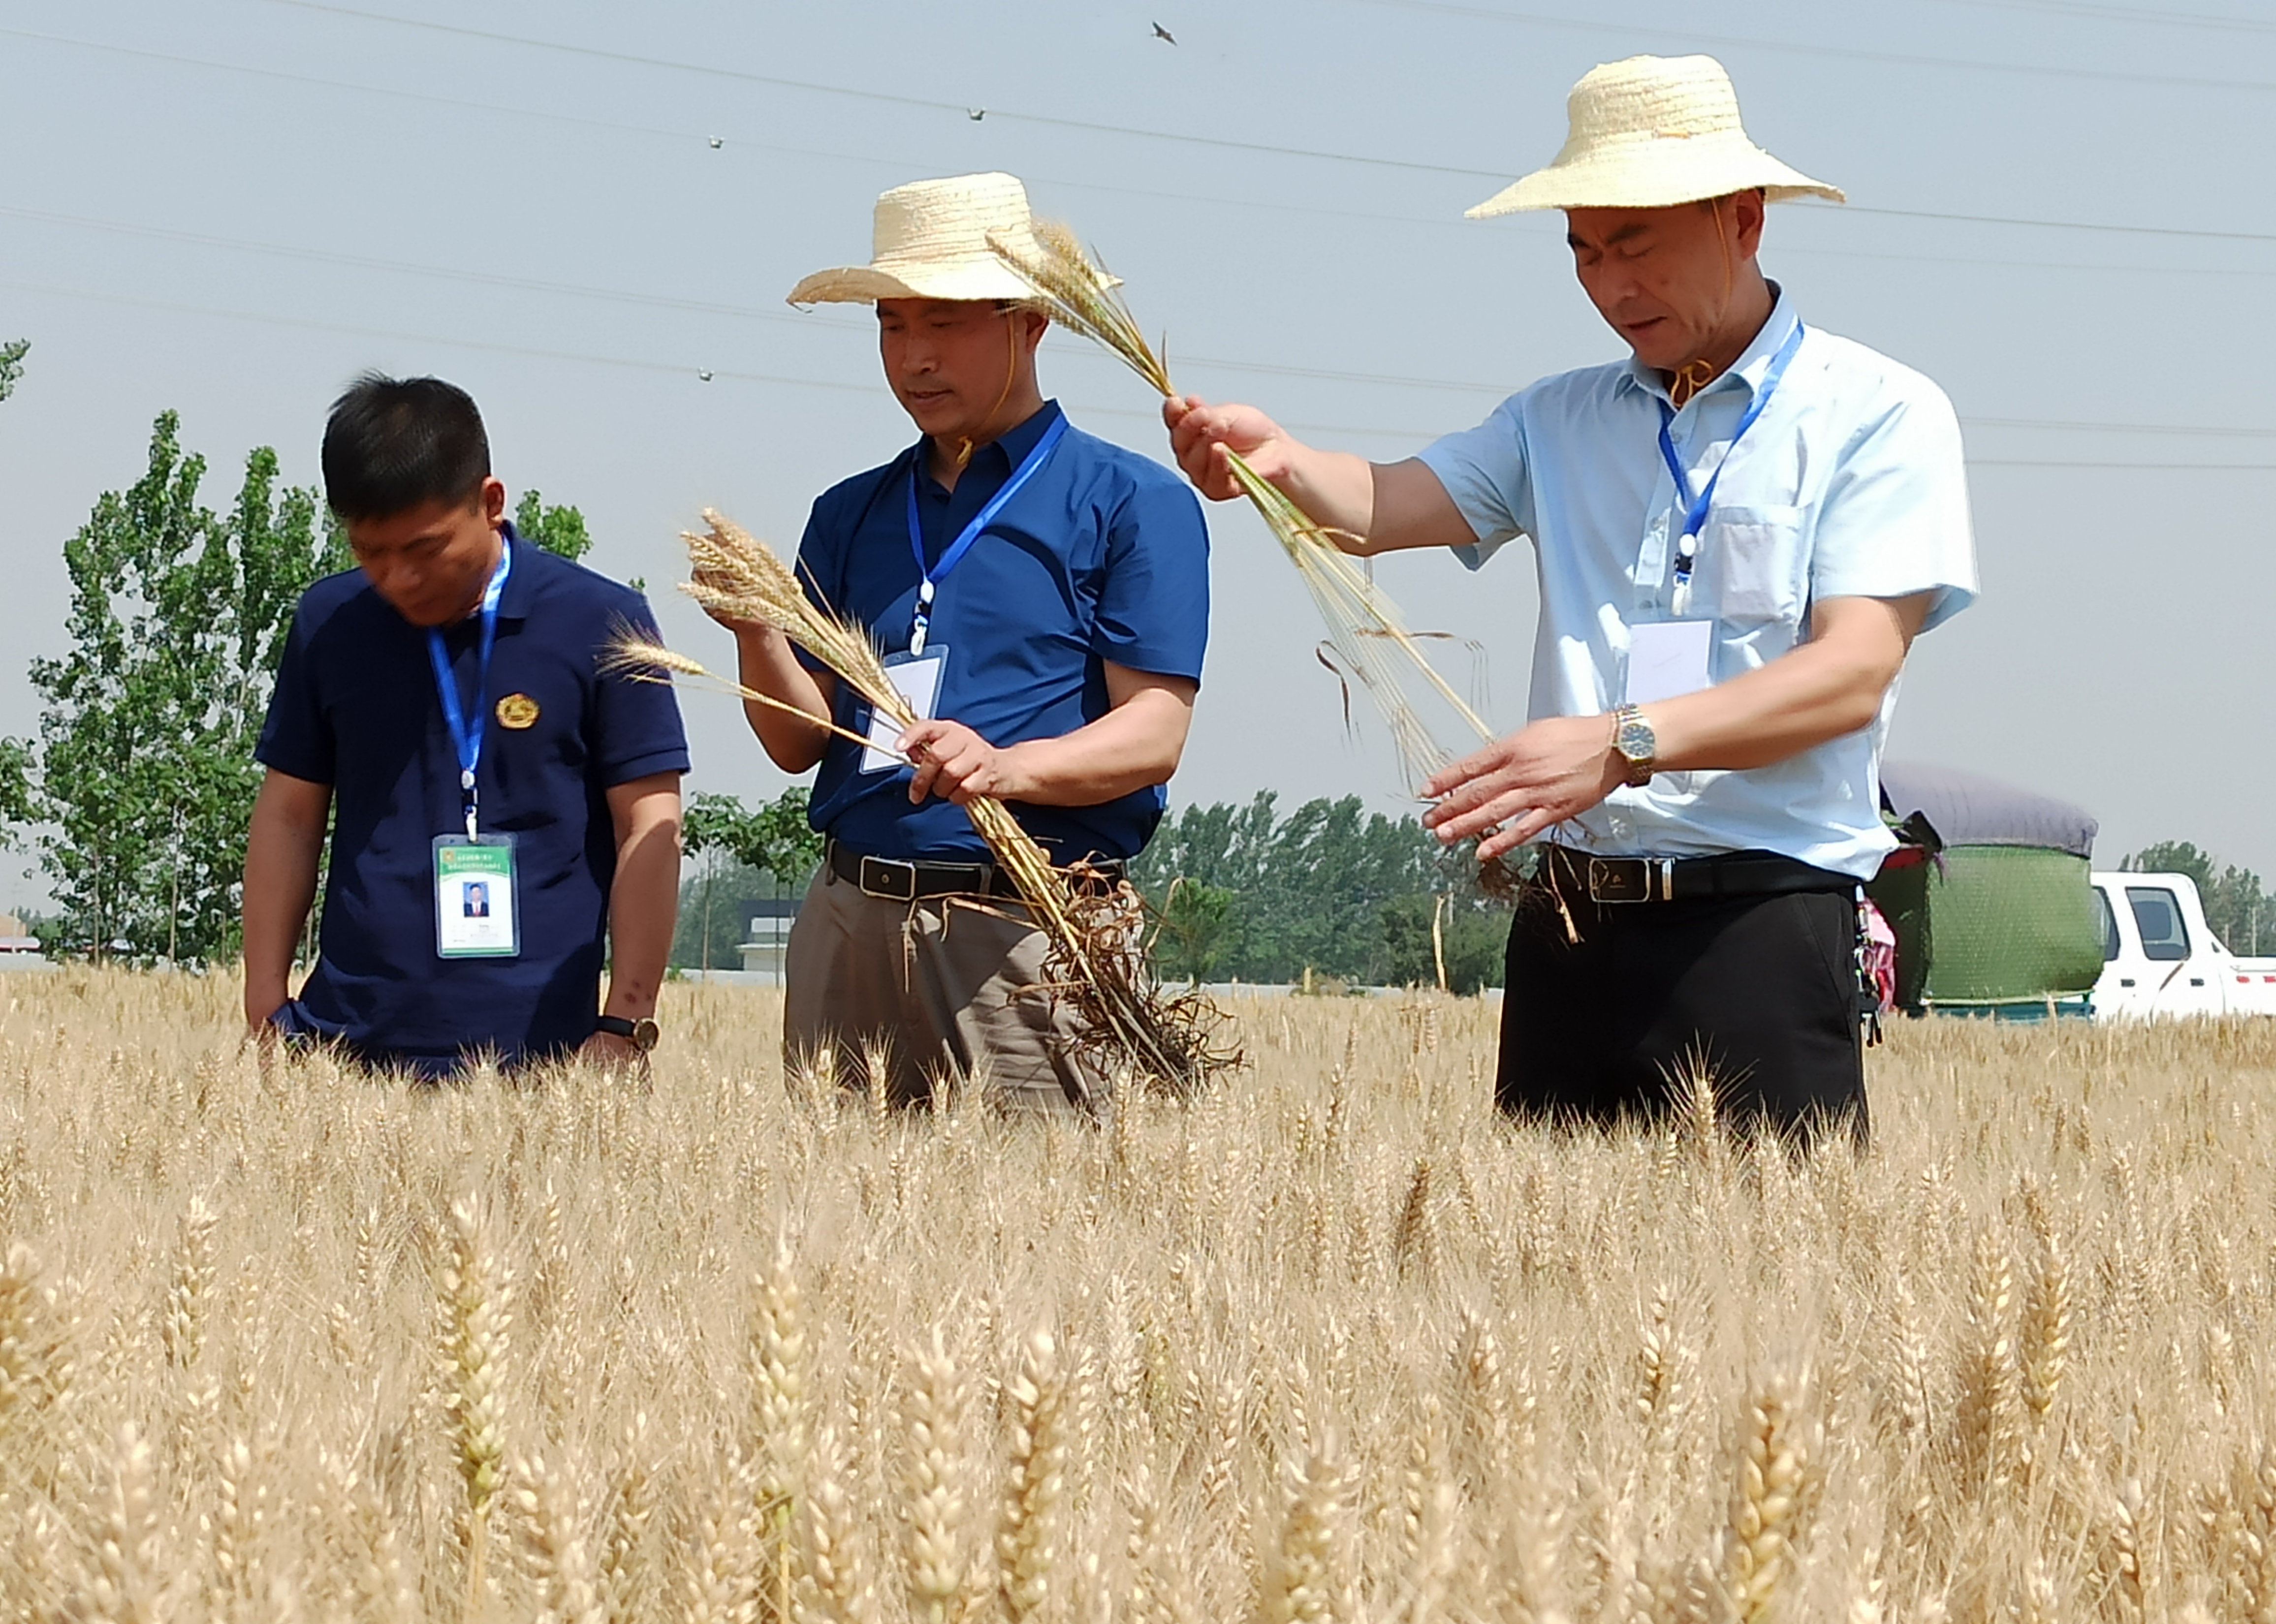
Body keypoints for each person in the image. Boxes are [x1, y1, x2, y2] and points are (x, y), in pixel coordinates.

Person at [1167, 56, 1976, 1147]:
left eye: (1634, 244)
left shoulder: (1875, 413)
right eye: (1584, 253)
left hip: (1759, 927)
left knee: (1770, 1288)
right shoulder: (1555, 419)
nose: (1610, 284)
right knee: (1541, 1293)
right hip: (1569, 929)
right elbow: (1382, 505)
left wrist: (1621, 741)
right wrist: (1277, 464)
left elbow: (1850, 672)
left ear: (1743, 220)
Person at [707, 172, 1209, 1112]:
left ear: (1030, 324)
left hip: (1027, 926)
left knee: (1040, 1221)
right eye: (894, 327)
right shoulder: (851, 512)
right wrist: (755, 631)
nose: (915, 358)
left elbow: (1155, 733)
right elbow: (797, 742)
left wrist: (1003, 769)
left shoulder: (1130, 501)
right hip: (851, 918)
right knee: (829, 1230)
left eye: (945, 324)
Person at [243, 374, 688, 1076]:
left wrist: (626, 1019)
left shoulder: (602, 622)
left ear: (490, 502)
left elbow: (650, 823)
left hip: (550, 1055)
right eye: (370, 552)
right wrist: (266, 1003)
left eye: (423, 550)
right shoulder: (330, 624)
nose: (398, 579)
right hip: (344, 1048)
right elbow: (290, 817)